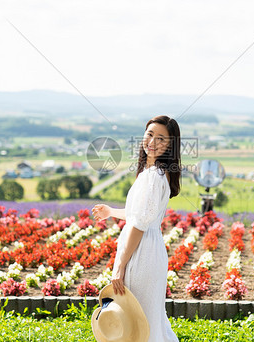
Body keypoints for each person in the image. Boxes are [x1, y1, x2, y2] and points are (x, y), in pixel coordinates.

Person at [92, 115, 181, 342]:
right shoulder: (157, 173)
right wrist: (111, 212)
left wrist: (120, 265)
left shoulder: (153, 176)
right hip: (149, 250)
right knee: (147, 322)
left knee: (137, 324)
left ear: (170, 145)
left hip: (141, 255)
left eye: (161, 138)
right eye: (150, 134)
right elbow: (139, 216)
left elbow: (139, 225)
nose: (152, 141)